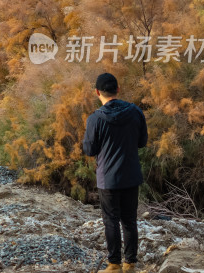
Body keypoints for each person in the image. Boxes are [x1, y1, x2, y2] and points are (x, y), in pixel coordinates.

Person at [83, 73, 148, 273]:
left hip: (108, 179)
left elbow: (89, 150)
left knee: (110, 220)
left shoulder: (95, 118)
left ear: (97, 92)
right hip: (130, 176)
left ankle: (114, 265)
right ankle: (130, 264)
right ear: (118, 89)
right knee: (129, 220)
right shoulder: (136, 112)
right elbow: (142, 142)